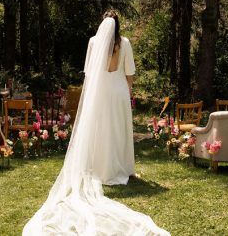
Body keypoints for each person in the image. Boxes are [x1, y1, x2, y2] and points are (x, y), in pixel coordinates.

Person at [23, 12, 169, 235]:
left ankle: (100, 168)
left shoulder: (93, 42)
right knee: (119, 130)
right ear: (118, 25)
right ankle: (123, 169)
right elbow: (129, 73)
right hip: (119, 91)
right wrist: (128, 92)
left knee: (101, 131)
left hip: (100, 93)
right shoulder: (126, 43)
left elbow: (90, 74)